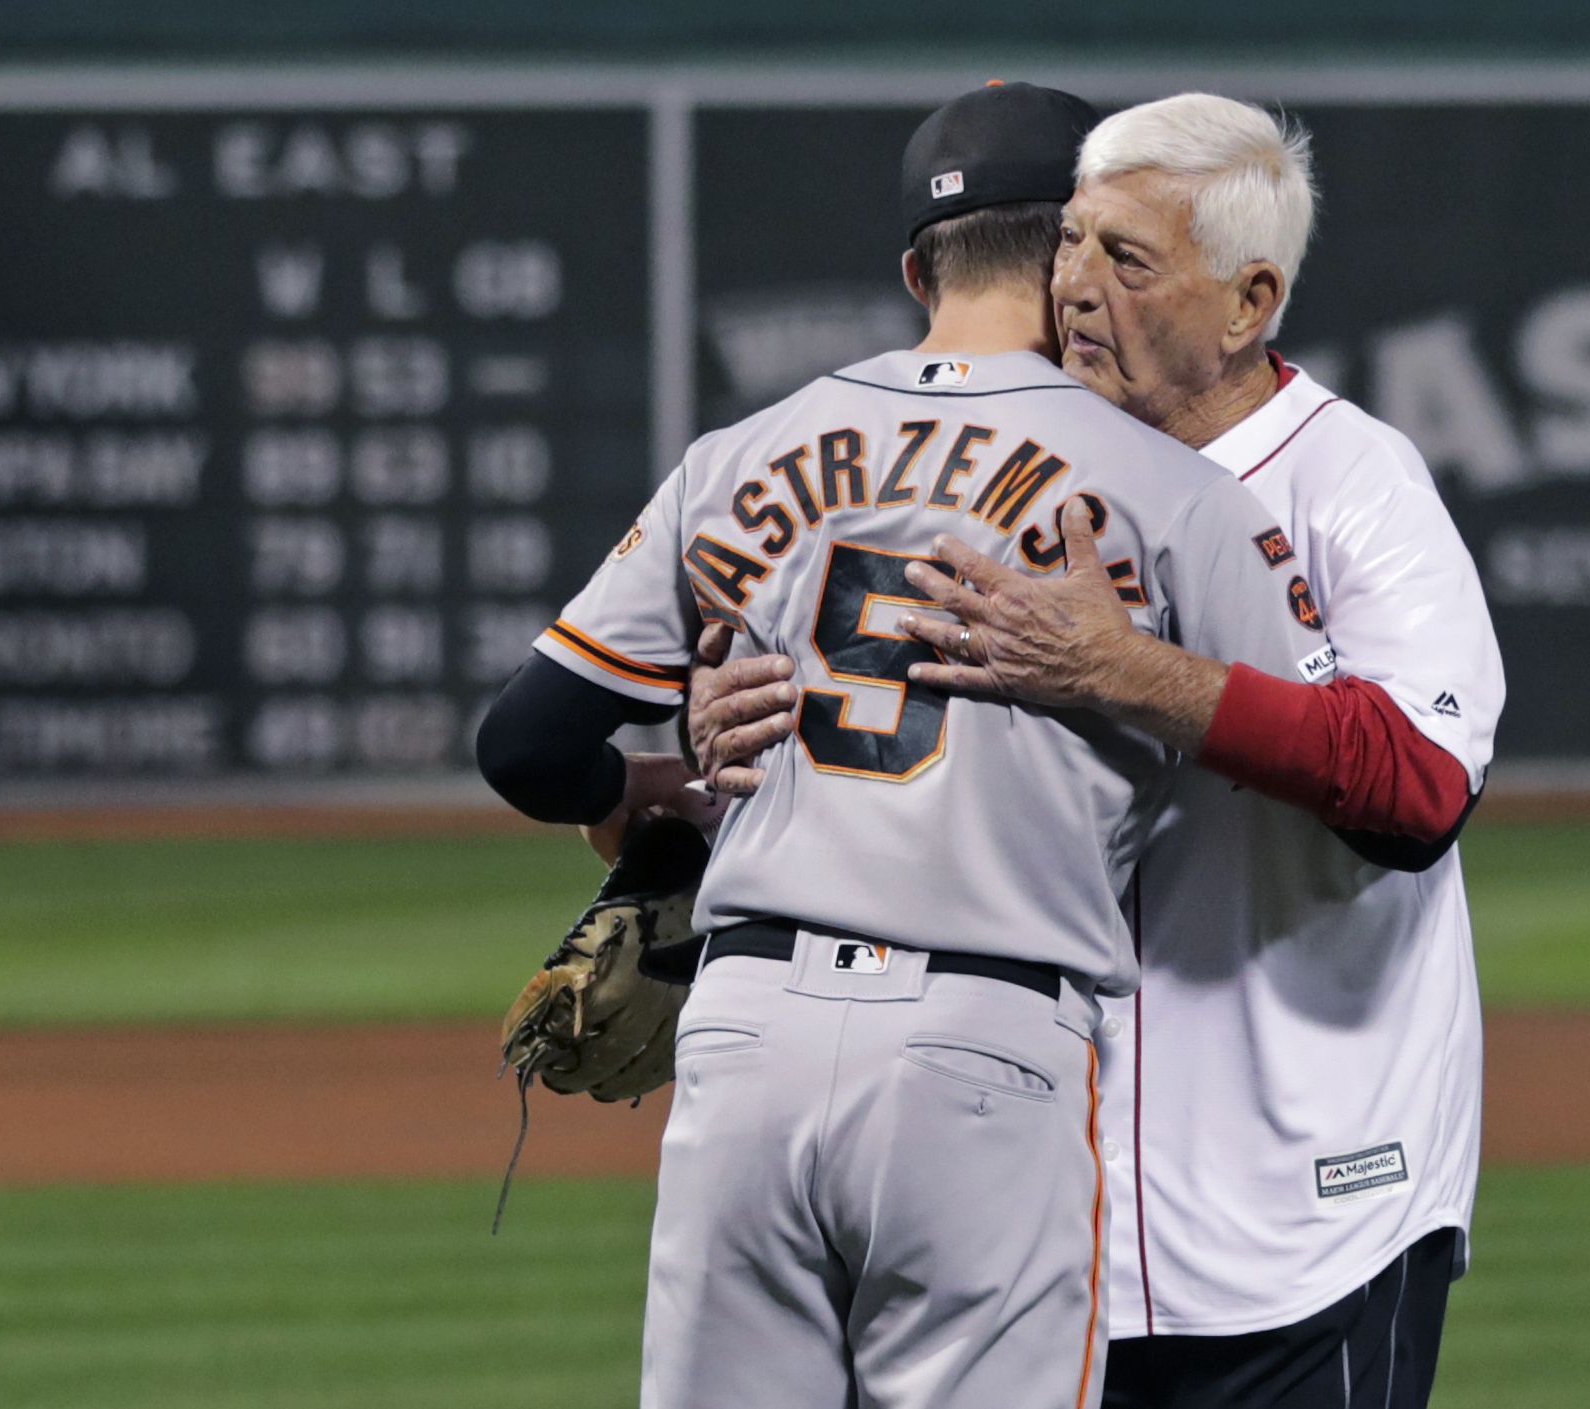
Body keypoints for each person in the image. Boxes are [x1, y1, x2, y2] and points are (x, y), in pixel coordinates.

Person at [475, 83, 1334, 1409]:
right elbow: (1317, 776)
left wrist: (645, 785)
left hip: (745, 1039)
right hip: (982, 1050)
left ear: (912, 270)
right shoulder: (1170, 492)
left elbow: (526, 742)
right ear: (1077, 254)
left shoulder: (740, 454)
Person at [685, 93, 1505, 1408]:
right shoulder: (990, 471)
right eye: (1070, 243)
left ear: (1246, 305)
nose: (1073, 286)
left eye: (1125, 259)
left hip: (1300, 1205)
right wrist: (712, 749)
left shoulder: (1350, 480)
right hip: (1018, 1201)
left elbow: (1414, 789)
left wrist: (1135, 673)